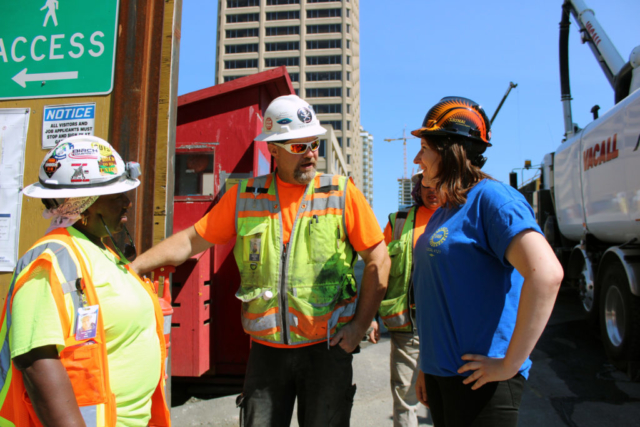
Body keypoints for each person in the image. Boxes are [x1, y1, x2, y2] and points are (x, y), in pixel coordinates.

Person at [130, 94, 390, 427]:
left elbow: (379, 262)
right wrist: (134, 268)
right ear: (274, 149)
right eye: (299, 147)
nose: (311, 155)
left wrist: (357, 327)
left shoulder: (340, 193)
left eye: (314, 144)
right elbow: (190, 241)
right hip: (266, 354)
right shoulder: (245, 196)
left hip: (327, 350)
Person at [410, 97, 563, 426]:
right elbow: (438, 297)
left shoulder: (493, 199)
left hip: (483, 384)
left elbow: (547, 275)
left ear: (451, 150)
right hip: (442, 375)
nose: (417, 158)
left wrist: (508, 364)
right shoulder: (447, 211)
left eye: (424, 148)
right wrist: (425, 364)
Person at [0, 136, 171, 427]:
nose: (127, 202)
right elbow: (36, 361)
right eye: (116, 195)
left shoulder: (99, 250)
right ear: (85, 206)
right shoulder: (49, 261)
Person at [367, 170, 440, 427]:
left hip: (449, 329)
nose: (432, 190)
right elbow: (379, 272)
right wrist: (372, 317)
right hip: (409, 328)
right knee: (405, 399)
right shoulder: (398, 222)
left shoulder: (460, 216)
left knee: (446, 397)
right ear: (417, 189)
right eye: (426, 184)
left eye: (438, 184)